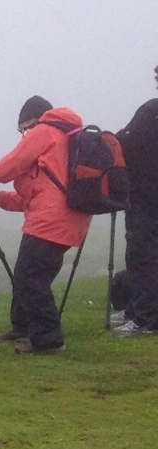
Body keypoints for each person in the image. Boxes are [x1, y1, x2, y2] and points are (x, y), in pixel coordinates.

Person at [0, 96, 92, 355]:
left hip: (51, 221)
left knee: (31, 277)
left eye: (24, 129)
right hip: (67, 218)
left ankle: (49, 339)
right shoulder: (64, 138)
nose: (23, 136)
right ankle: (24, 326)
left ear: (35, 120)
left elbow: (7, 168)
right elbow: (37, 196)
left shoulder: (45, 132)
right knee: (28, 274)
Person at [114, 65, 158, 338]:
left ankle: (145, 318)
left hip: (145, 198)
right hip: (147, 197)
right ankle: (137, 310)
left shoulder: (151, 111)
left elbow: (124, 143)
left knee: (142, 257)